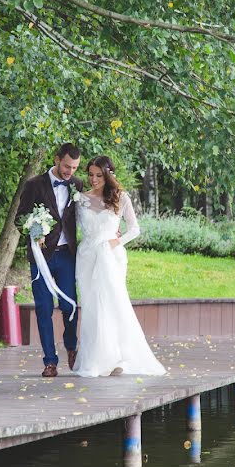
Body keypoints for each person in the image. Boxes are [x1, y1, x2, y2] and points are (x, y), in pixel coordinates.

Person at [72, 156, 166, 378]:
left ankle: (119, 357)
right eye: (90, 175)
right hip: (86, 256)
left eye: (98, 175)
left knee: (112, 303)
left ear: (108, 175)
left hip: (110, 256)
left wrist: (115, 242)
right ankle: (95, 359)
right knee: (91, 305)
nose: (93, 179)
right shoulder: (81, 199)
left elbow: (134, 229)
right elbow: (71, 228)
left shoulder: (121, 198)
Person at [16, 143, 83, 378]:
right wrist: (36, 230)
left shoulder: (78, 185)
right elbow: (19, 218)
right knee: (44, 308)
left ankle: (71, 347)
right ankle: (50, 361)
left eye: (74, 167)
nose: (70, 171)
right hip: (41, 256)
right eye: (67, 166)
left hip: (67, 255)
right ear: (56, 160)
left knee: (69, 305)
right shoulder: (34, 184)